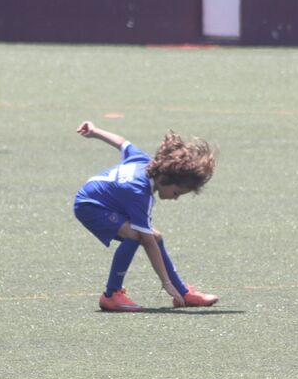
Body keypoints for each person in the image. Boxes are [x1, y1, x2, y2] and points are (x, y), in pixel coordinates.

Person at [73, 121, 219, 311]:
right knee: (136, 235)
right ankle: (111, 295)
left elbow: (122, 142)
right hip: (90, 206)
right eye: (176, 193)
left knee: (154, 235)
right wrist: (165, 283)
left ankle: (183, 293)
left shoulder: (144, 161)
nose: (175, 199)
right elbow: (147, 242)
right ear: (166, 179)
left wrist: (95, 131)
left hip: (107, 202)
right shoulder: (140, 194)